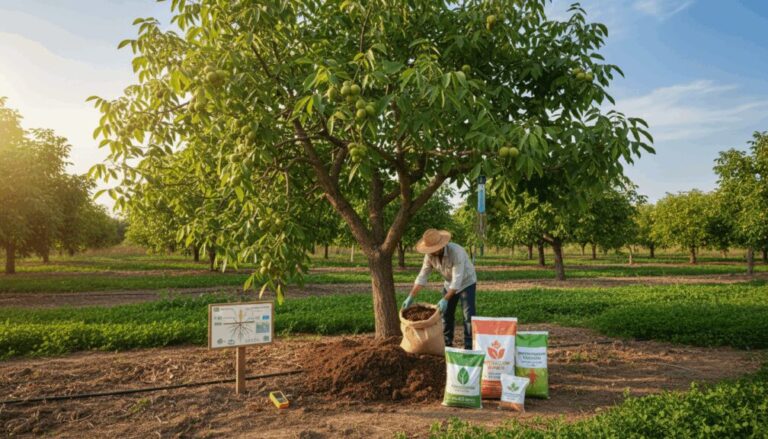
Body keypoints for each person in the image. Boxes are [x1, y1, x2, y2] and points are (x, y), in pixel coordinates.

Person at [402, 229, 477, 349]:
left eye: (433, 249)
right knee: (446, 315)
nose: (431, 252)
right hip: (449, 284)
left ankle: (469, 347)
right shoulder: (429, 256)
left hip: (466, 282)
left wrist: (445, 299)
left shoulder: (456, 252)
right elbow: (422, 276)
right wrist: (411, 296)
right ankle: (447, 344)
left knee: (468, 315)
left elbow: (457, 280)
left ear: (441, 246)